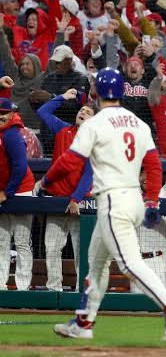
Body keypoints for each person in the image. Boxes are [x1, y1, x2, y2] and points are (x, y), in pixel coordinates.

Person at [41, 68, 166, 340]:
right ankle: (84, 322)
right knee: (96, 263)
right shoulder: (138, 123)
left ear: (96, 92)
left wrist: (45, 182)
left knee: (129, 263)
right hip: (134, 199)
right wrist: (153, 200)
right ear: (122, 92)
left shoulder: (94, 124)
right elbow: (154, 166)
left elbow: (70, 161)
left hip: (113, 201)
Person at [37, 89, 95, 291]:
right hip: (56, 201)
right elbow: (43, 112)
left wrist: (76, 199)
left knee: (82, 251)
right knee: (52, 248)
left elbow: (89, 175)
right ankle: (54, 290)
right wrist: (62, 97)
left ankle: (83, 291)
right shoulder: (63, 130)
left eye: (88, 112)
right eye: (81, 110)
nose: (82, 112)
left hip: (79, 204)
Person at [132, 123, 166, 293]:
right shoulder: (131, 195)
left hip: (160, 259)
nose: (146, 177)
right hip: (137, 262)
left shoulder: (165, 193)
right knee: (135, 312)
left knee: (161, 311)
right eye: (142, 173)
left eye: (149, 172)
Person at [0, 99, 35, 291]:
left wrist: (7, 193)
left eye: (4, 112)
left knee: (21, 242)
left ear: (12, 114)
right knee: (1, 241)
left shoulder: (12, 134)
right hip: (3, 191)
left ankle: (23, 288)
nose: (1, 116)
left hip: (20, 190)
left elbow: (20, 168)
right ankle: (0, 286)